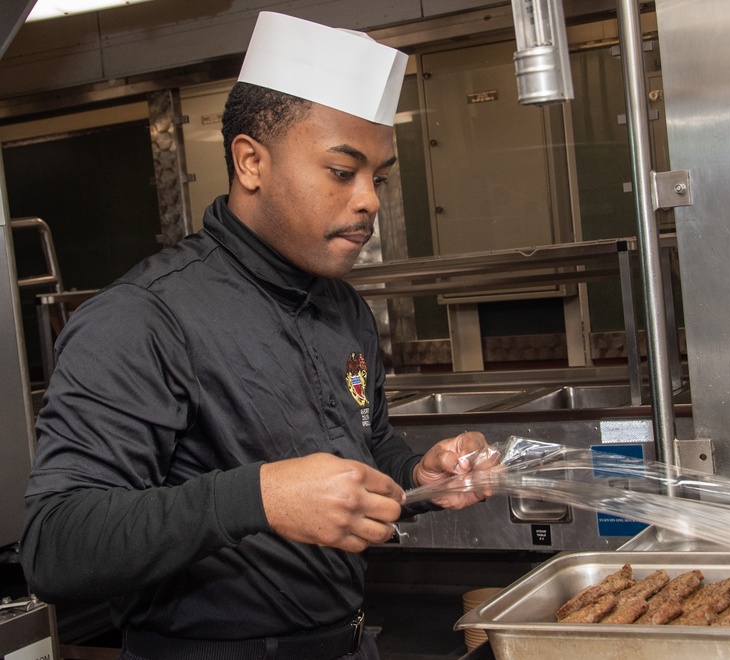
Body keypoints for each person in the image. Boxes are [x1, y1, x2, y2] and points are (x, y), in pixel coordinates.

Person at [19, 12, 493, 660]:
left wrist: (420, 474)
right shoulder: (144, 319)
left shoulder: (345, 311)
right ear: (251, 162)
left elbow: (368, 444)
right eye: (341, 171)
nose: (370, 201)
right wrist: (260, 496)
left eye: (377, 176)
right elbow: (57, 543)